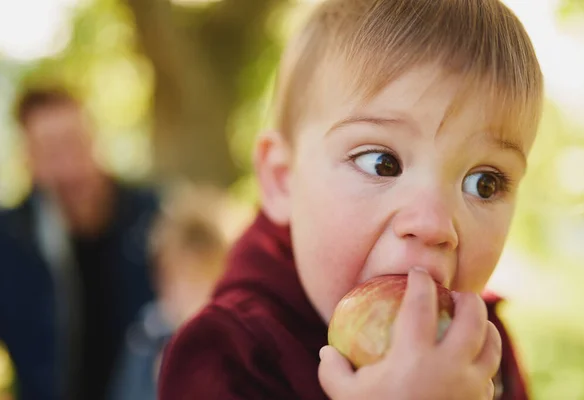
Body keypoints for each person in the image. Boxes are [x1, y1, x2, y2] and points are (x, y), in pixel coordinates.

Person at [158, 0, 544, 399]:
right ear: (282, 181)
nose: (433, 224)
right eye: (382, 163)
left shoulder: (482, 350)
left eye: (484, 183)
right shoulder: (226, 357)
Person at [0, 86, 158, 400]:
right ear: (28, 158)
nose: (68, 165)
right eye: (50, 151)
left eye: (74, 143)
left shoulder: (152, 218)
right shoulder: (10, 239)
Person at [108, 183, 227, 400]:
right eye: (172, 281)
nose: (182, 295)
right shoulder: (146, 337)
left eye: (196, 282)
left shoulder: (233, 341)